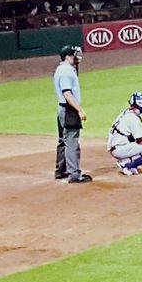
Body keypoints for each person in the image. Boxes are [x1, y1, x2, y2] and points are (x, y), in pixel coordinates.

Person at [54, 45, 92, 183]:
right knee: (71, 141)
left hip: (62, 109)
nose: (76, 57)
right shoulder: (66, 71)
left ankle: (61, 170)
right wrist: (79, 110)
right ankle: (74, 174)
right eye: (74, 55)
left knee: (63, 141)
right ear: (68, 56)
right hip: (69, 109)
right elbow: (67, 94)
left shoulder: (62, 69)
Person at [106, 92, 142, 176]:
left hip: (118, 146)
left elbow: (135, 135)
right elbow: (141, 140)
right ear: (140, 104)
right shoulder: (133, 118)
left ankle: (130, 164)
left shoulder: (127, 113)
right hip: (120, 149)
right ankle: (126, 164)